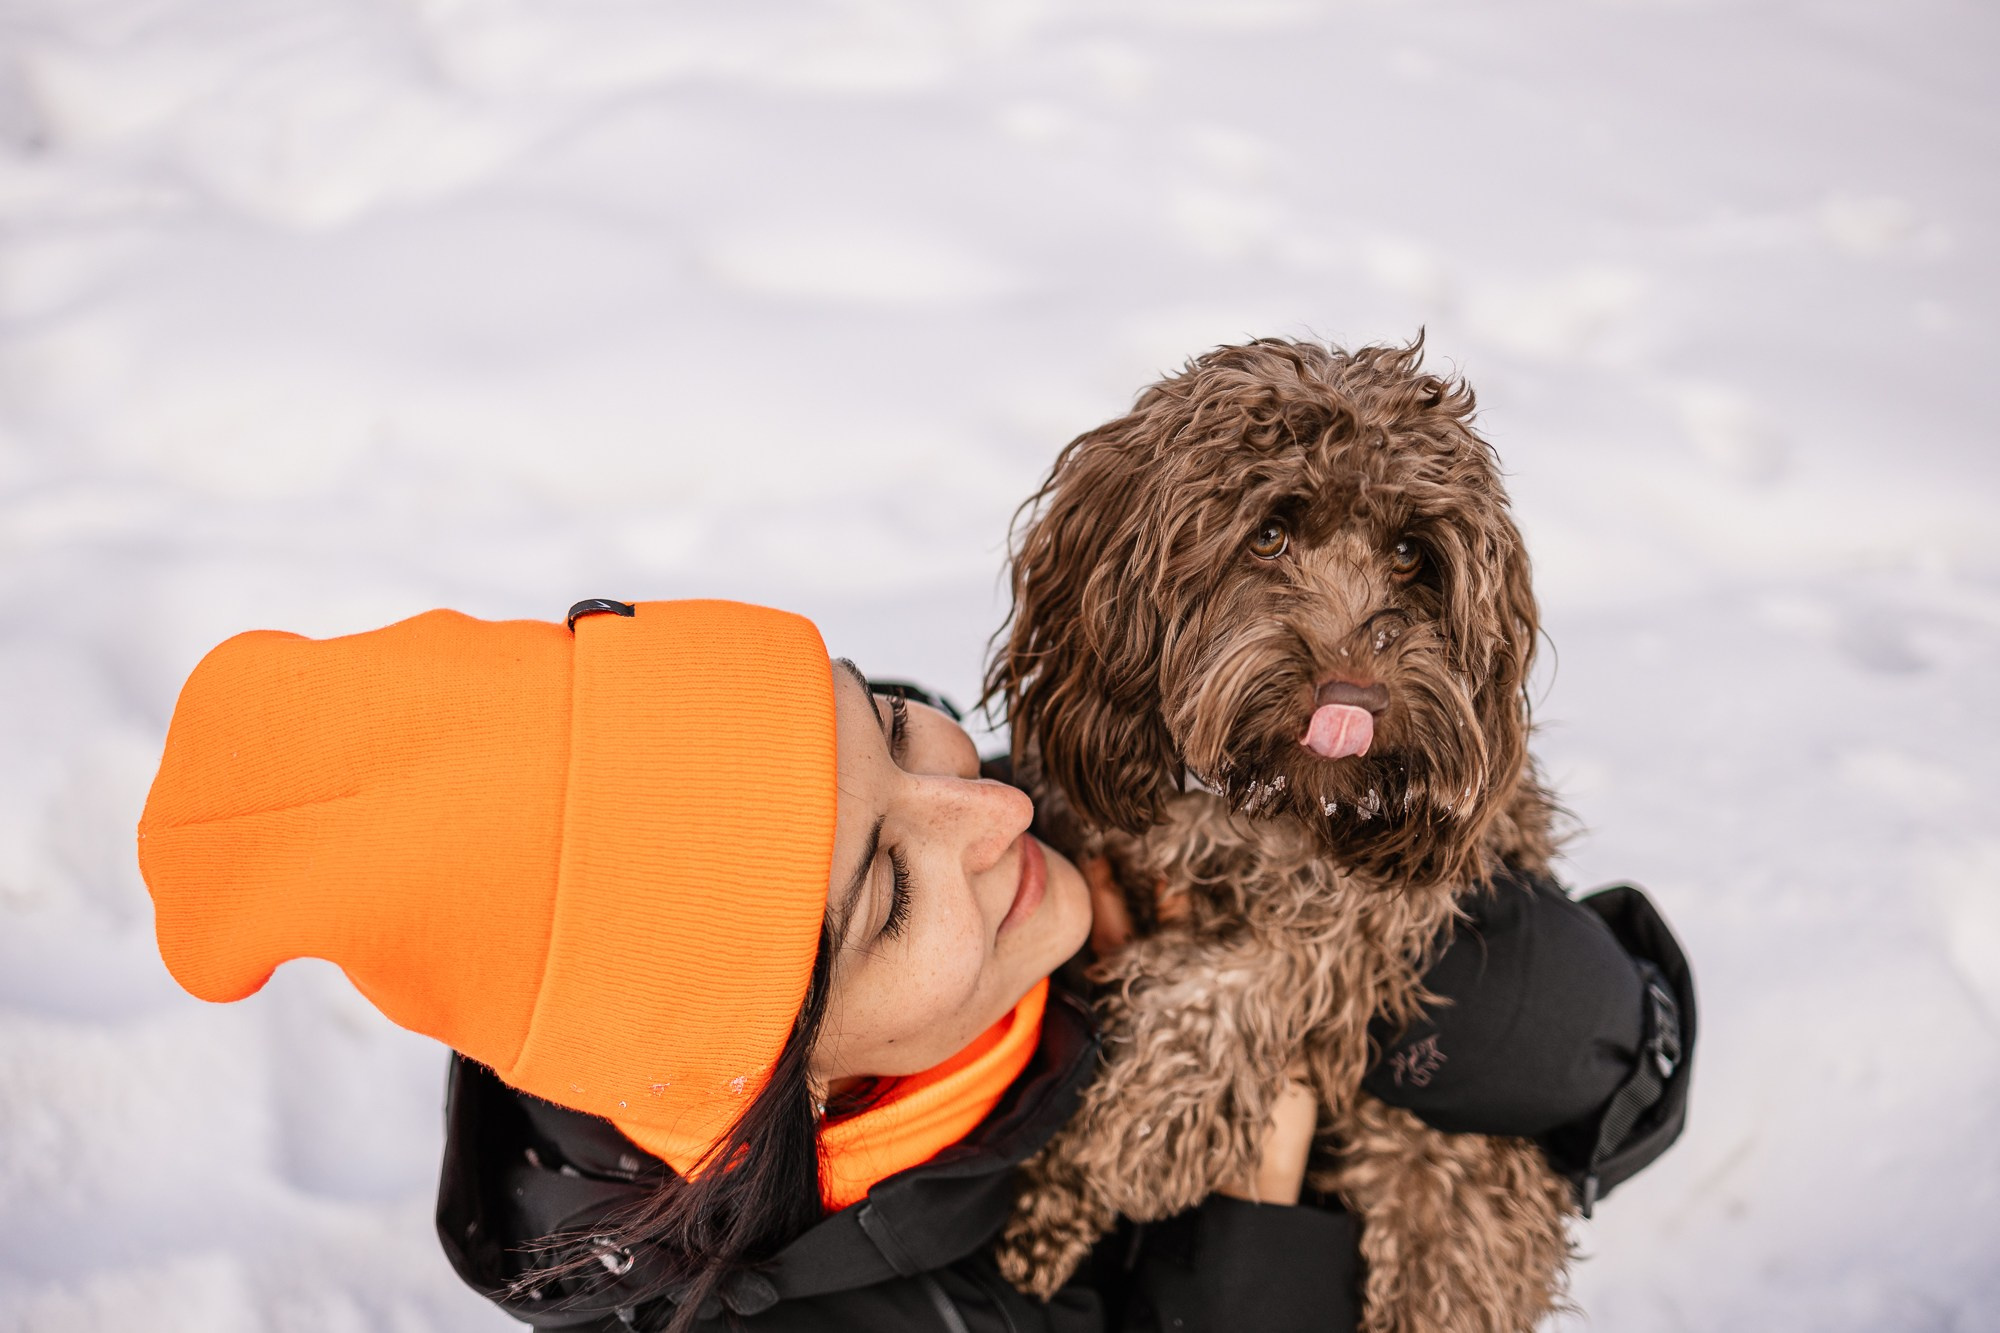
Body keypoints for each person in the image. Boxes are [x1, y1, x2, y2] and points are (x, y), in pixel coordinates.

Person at [138, 598, 1694, 1333]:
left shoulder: (1054, 863)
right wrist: (1256, 1229)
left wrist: (1358, 935)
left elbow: (1630, 1058)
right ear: (768, 1084)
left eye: (887, 723)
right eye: (886, 887)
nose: (992, 800)